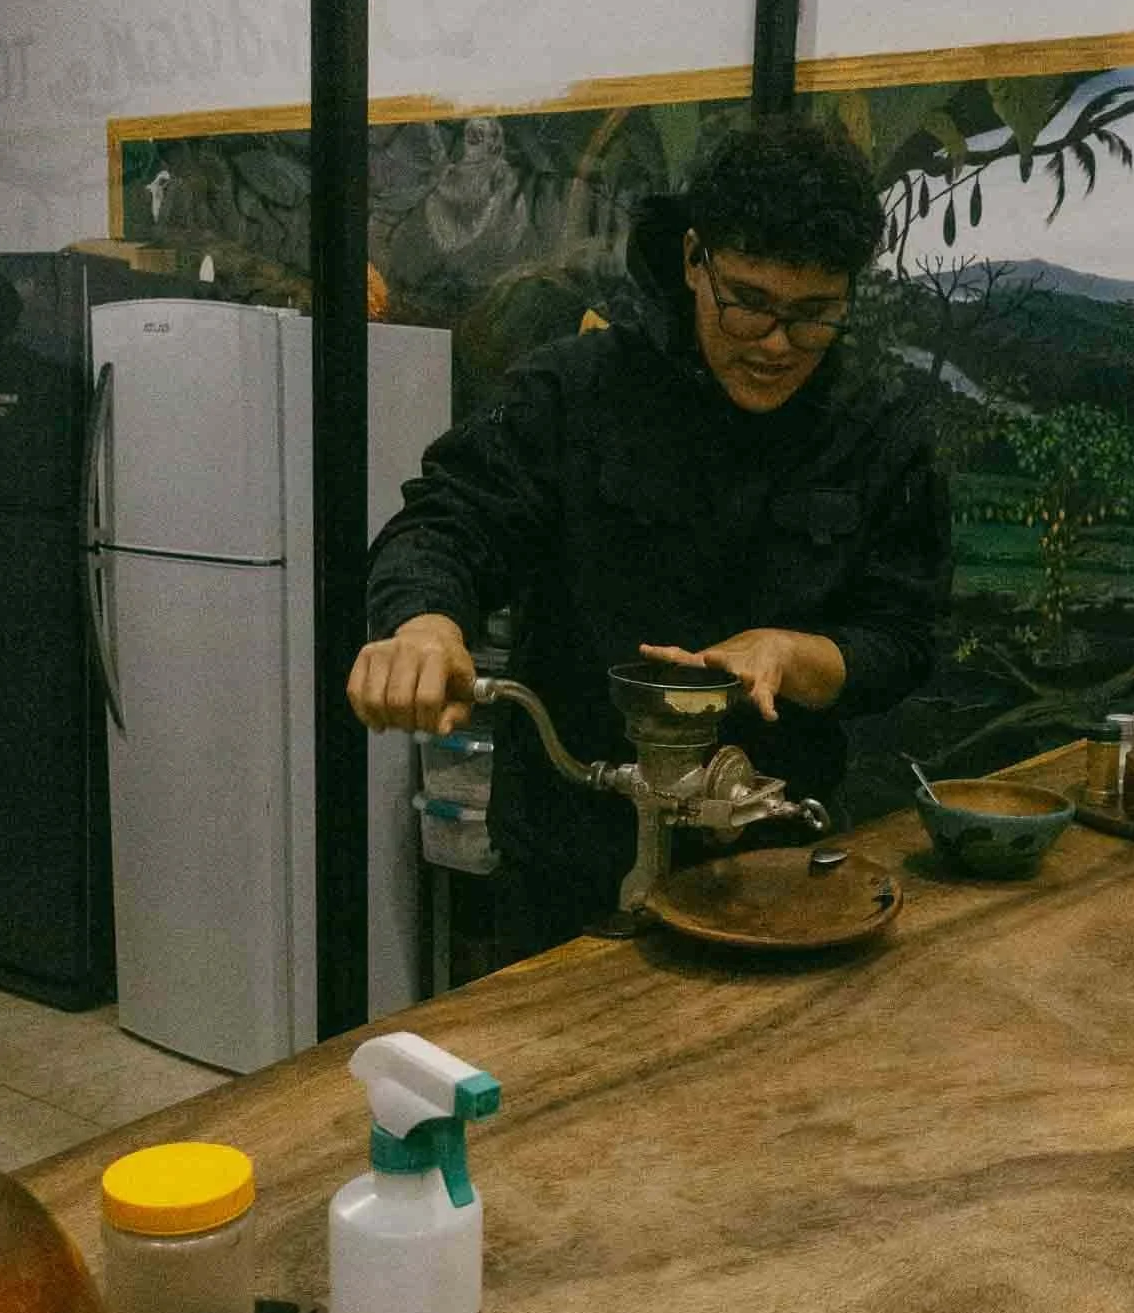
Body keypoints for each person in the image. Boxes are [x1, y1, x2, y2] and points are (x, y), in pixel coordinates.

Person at [349, 115, 951, 963]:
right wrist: (423, 625)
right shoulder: (577, 391)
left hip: (778, 871)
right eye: (750, 305)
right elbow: (448, 521)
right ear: (695, 259)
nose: (779, 345)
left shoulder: (877, 430)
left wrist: (795, 653)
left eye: (816, 316)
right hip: (571, 868)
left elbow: (904, 635)